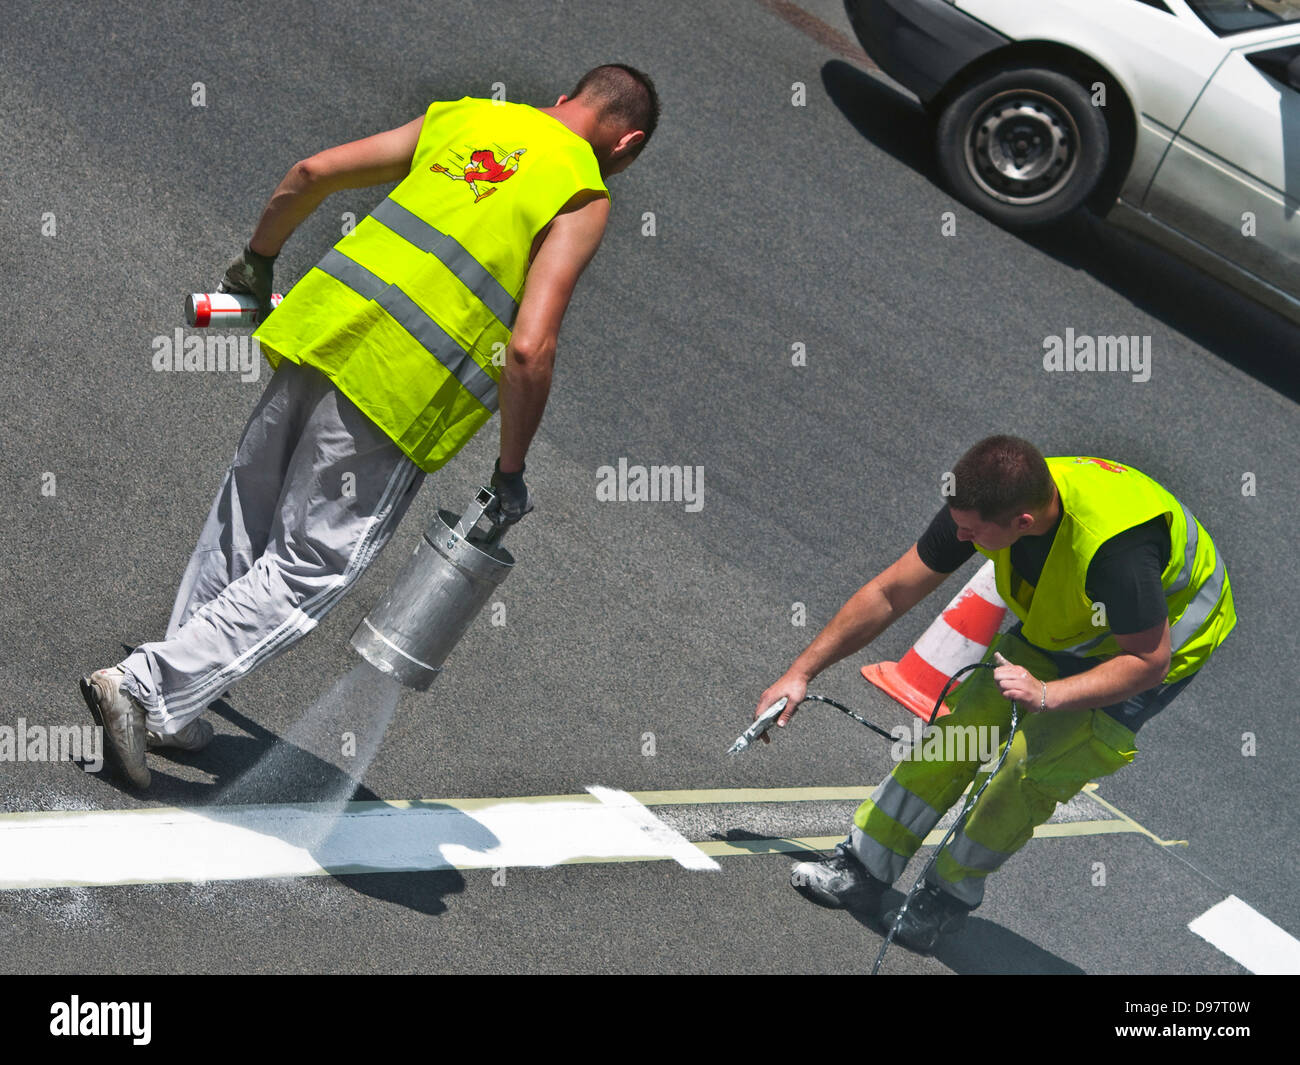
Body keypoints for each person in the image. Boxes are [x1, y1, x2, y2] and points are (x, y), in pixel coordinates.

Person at [81, 64, 660, 789]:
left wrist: (257, 262)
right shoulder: (582, 191)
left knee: (244, 518)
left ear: (570, 96)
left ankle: (169, 704)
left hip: (322, 333)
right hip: (397, 390)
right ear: (627, 141)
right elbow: (528, 347)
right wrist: (510, 470)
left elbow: (314, 170)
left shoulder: (469, 117)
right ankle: (141, 688)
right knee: (310, 565)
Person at [755, 436, 1235, 952]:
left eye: (971, 531)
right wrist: (801, 672)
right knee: (964, 731)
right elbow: (890, 592)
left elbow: (1147, 660)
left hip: (1157, 643)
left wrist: (1047, 694)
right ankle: (861, 867)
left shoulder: (1115, 553)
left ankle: (943, 902)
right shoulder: (988, 500)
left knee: (1026, 769)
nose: (959, 537)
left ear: (1021, 523)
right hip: (1071, 617)